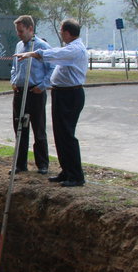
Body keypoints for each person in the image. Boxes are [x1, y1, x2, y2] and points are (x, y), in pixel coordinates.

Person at [15, 18, 88, 187]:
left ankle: (76, 175)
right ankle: (66, 171)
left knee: (67, 134)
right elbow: (56, 56)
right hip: (61, 93)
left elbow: (54, 55)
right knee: (60, 134)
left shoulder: (75, 49)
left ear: (67, 33)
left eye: (62, 31)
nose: (61, 34)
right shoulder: (70, 48)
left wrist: (33, 54)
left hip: (70, 94)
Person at [10, 15, 51, 174]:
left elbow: (52, 69)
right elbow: (14, 67)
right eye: (17, 31)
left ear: (30, 29)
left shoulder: (42, 46)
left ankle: (42, 164)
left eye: (21, 31)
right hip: (20, 92)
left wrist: (42, 86)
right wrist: (13, 80)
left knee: (38, 127)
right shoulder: (19, 45)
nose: (19, 34)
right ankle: (20, 164)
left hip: (35, 92)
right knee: (20, 127)